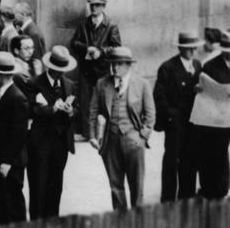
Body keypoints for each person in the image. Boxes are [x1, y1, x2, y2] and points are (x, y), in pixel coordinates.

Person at [89, 47, 155, 209]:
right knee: (115, 185)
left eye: (119, 64)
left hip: (134, 140)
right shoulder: (102, 84)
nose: (115, 68)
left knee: (136, 185)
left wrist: (143, 136)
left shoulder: (142, 84)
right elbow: (93, 111)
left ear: (128, 65)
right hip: (110, 141)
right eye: (113, 64)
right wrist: (92, 135)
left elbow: (150, 113)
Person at [27, 46, 78, 220]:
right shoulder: (34, 83)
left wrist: (71, 111)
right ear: (50, 67)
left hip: (61, 142)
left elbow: (79, 111)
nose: (60, 74)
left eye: (63, 70)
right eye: (57, 70)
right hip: (40, 142)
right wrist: (52, 109)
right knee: (38, 185)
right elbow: (28, 110)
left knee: (56, 186)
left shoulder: (69, 85)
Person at [154, 32, 204, 202]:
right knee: (171, 161)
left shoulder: (197, 65)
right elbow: (159, 95)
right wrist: (171, 116)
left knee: (190, 161)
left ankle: (186, 198)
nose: (193, 51)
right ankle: (168, 200)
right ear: (180, 48)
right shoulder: (168, 67)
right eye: (189, 48)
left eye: (195, 48)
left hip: (193, 122)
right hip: (175, 122)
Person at [0, 51, 29, 226]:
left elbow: (19, 133)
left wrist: (7, 161)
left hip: (10, 162)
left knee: (13, 205)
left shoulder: (17, 98)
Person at [70, 0, 122, 139]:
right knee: (86, 101)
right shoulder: (84, 23)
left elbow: (117, 47)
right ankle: (88, 134)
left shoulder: (111, 25)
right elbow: (74, 42)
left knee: (104, 100)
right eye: (92, 5)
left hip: (103, 68)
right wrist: (87, 48)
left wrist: (101, 51)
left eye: (97, 5)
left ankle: (105, 132)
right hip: (86, 68)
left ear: (104, 6)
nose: (94, 8)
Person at [195, 31, 230, 200]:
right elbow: (204, 91)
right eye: (225, 50)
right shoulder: (210, 66)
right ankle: (218, 189)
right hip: (219, 119)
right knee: (218, 152)